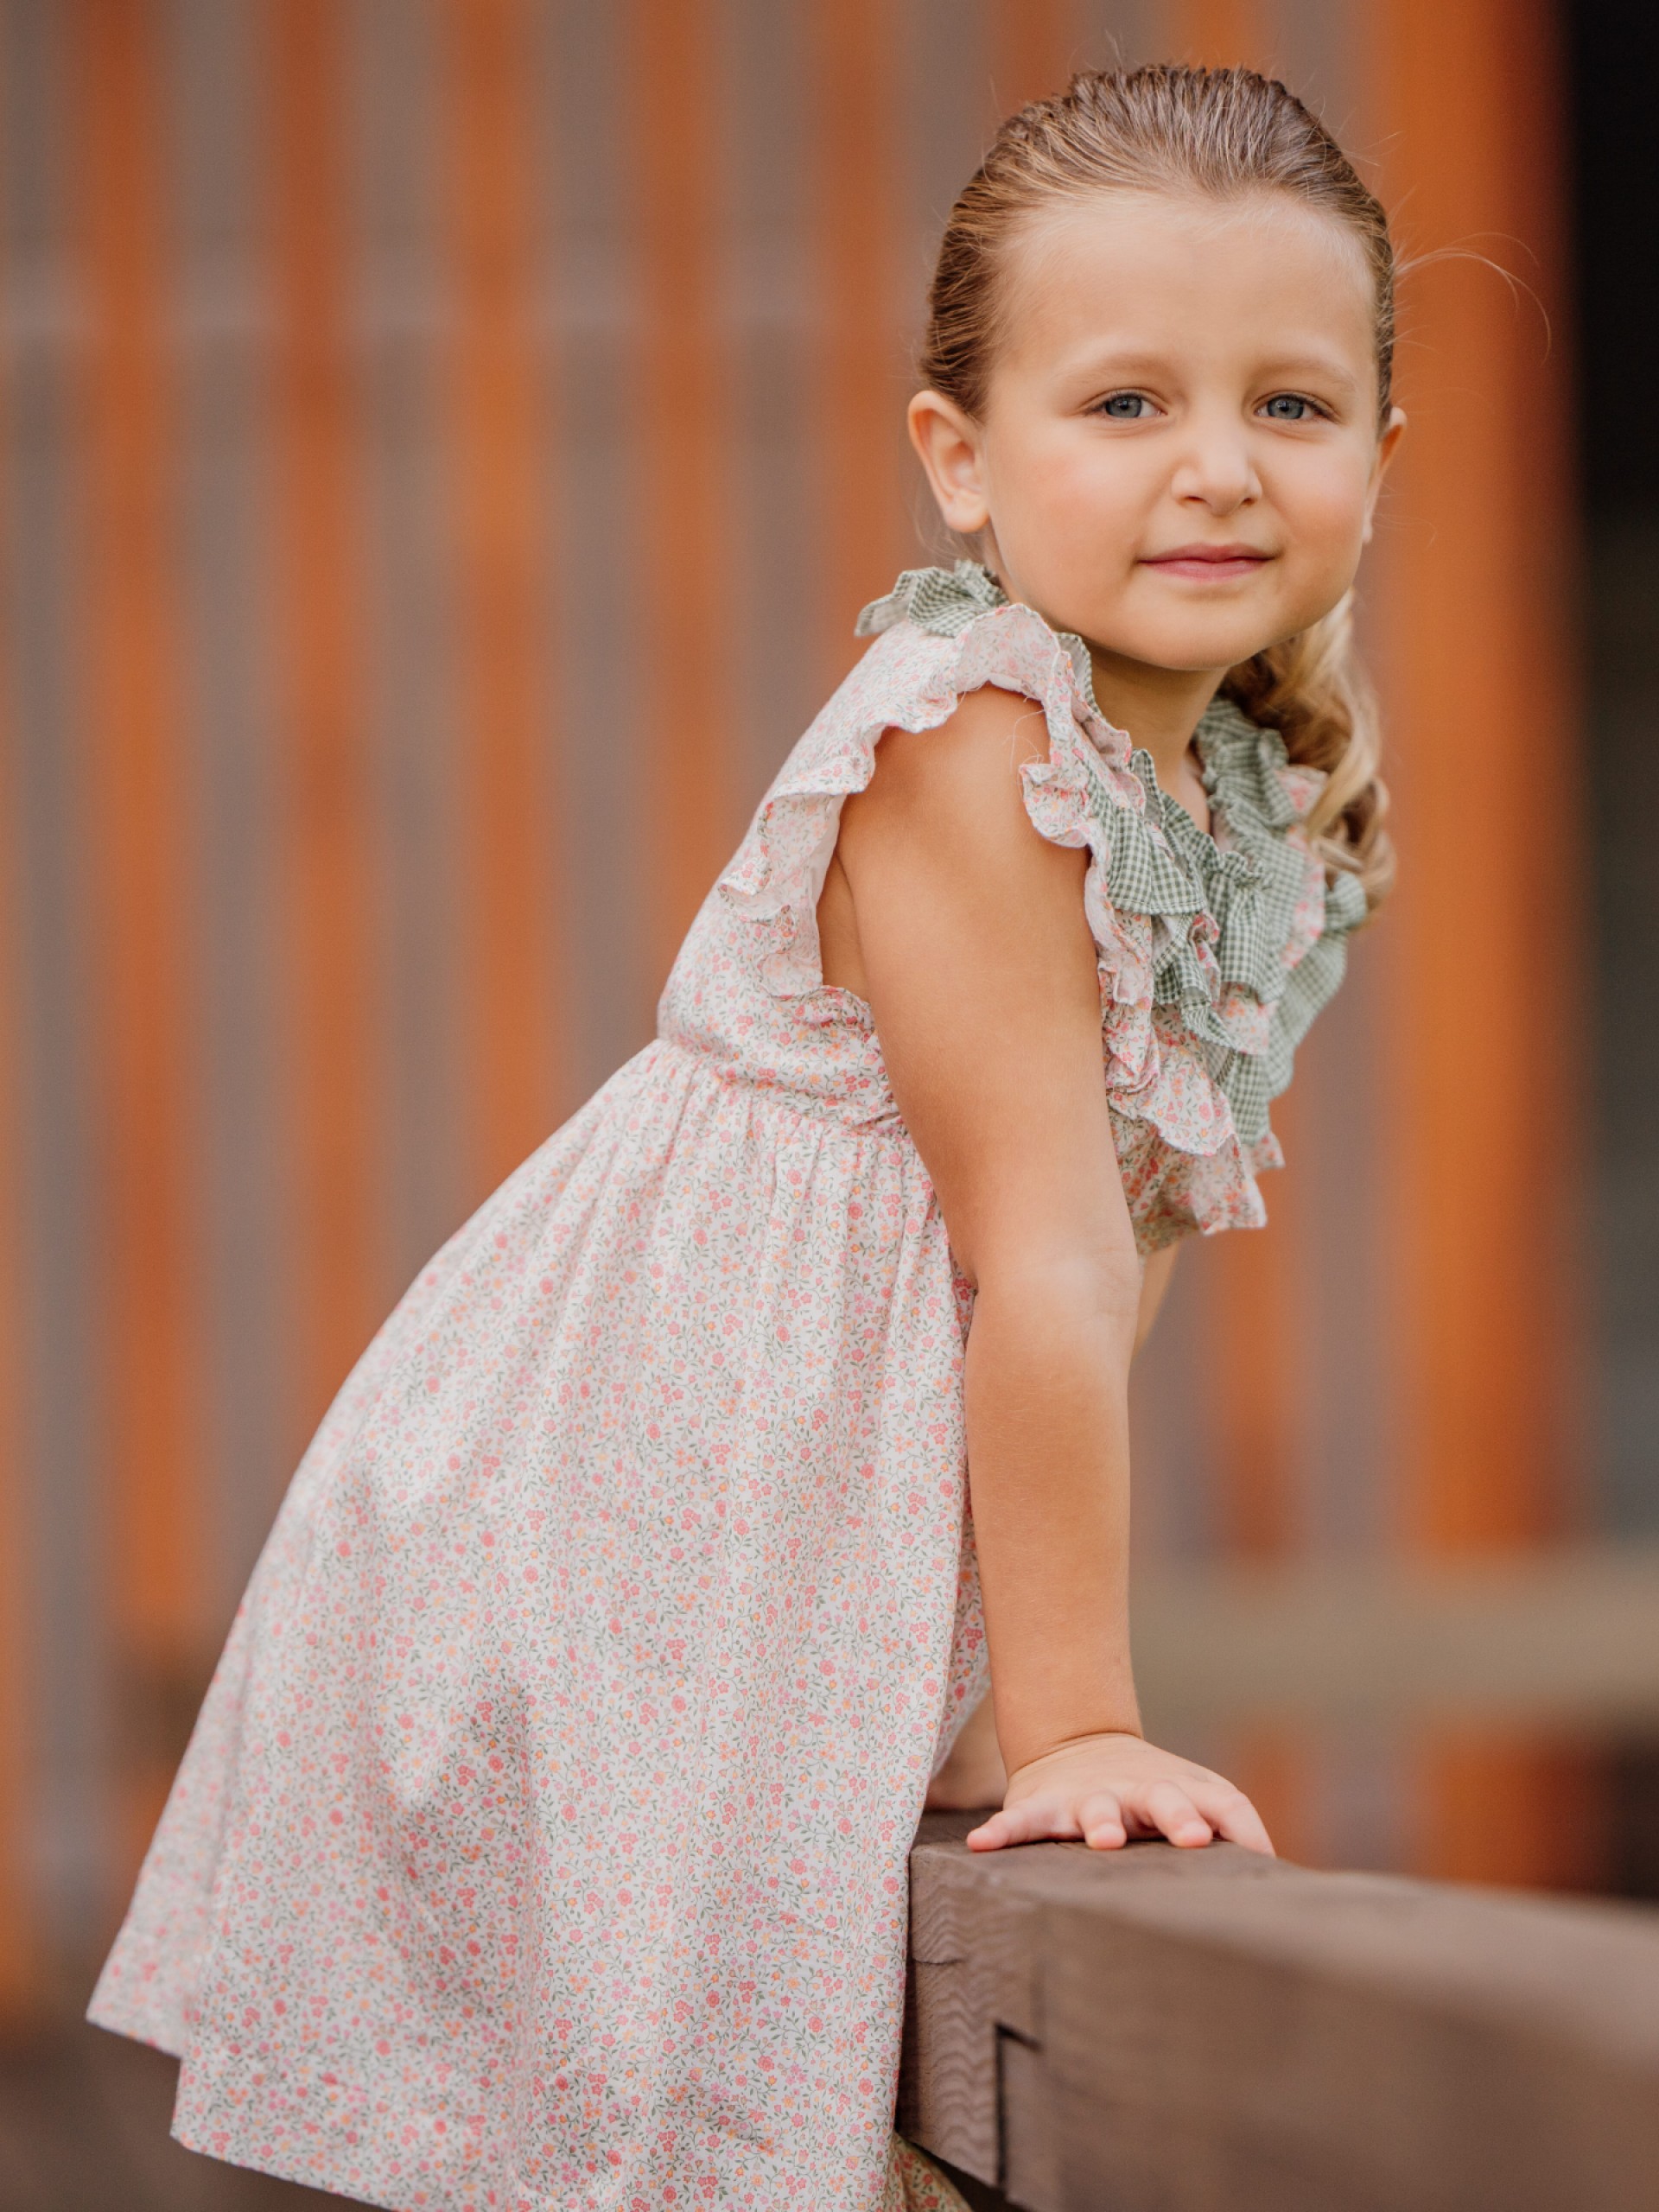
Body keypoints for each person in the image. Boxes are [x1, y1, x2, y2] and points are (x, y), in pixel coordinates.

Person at [90, 62, 1404, 2212]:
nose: (1215, 471)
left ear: (1377, 452)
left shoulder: (1235, 804)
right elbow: (1044, 1266)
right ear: (958, 462)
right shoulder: (977, 746)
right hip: (632, 1509)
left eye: (1289, 403)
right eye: (1124, 403)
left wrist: (979, 1685)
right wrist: (1075, 1721)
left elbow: (1121, 1254)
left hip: (809, 1521)